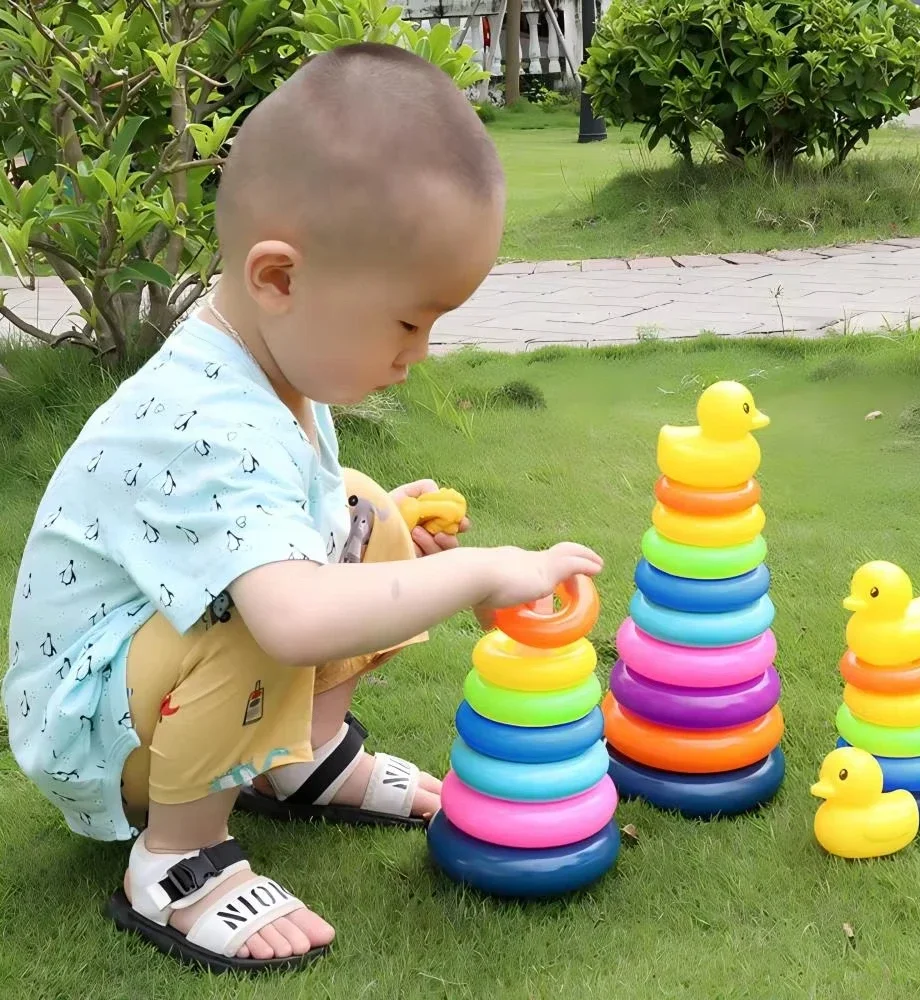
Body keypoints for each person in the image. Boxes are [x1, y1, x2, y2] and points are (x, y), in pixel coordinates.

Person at [2, 43, 603, 974]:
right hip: (95, 725)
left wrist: (382, 528)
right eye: (409, 321)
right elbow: (284, 617)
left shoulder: (269, 363)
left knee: (364, 510)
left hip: (149, 672)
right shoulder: (202, 418)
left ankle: (305, 761)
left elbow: (305, 508)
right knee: (253, 607)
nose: (421, 353)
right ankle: (177, 858)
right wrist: (477, 571)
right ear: (279, 277)